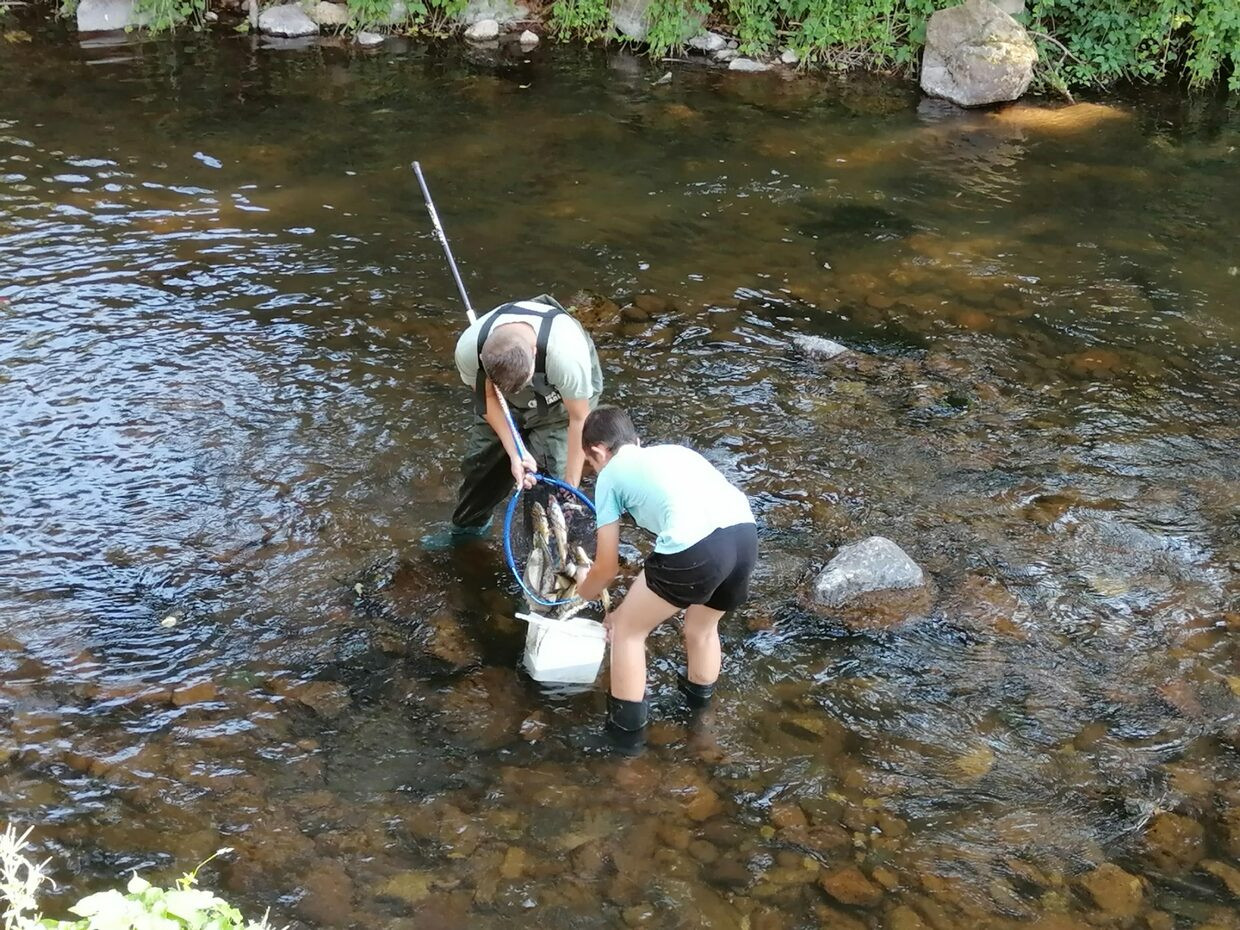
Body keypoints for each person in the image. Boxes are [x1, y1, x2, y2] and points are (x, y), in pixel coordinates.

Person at [573, 406, 757, 735]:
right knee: (701, 628)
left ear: (598, 452)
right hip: (744, 535)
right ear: (636, 441)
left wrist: (582, 591)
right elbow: (664, 555)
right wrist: (623, 607)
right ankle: (699, 721)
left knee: (628, 633)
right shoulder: (674, 453)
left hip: (698, 548)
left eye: (591, 463)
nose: (595, 470)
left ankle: (625, 742)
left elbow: (606, 567)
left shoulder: (611, 476)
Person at [426, 294, 603, 546]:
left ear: (534, 353)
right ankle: (467, 532)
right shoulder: (469, 350)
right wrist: (515, 453)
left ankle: (550, 548)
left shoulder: (566, 356)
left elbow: (578, 419)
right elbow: (487, 400)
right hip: (498, 398)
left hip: (560, 404)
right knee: (481, 465)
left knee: (552, 475)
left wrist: (570, 483)